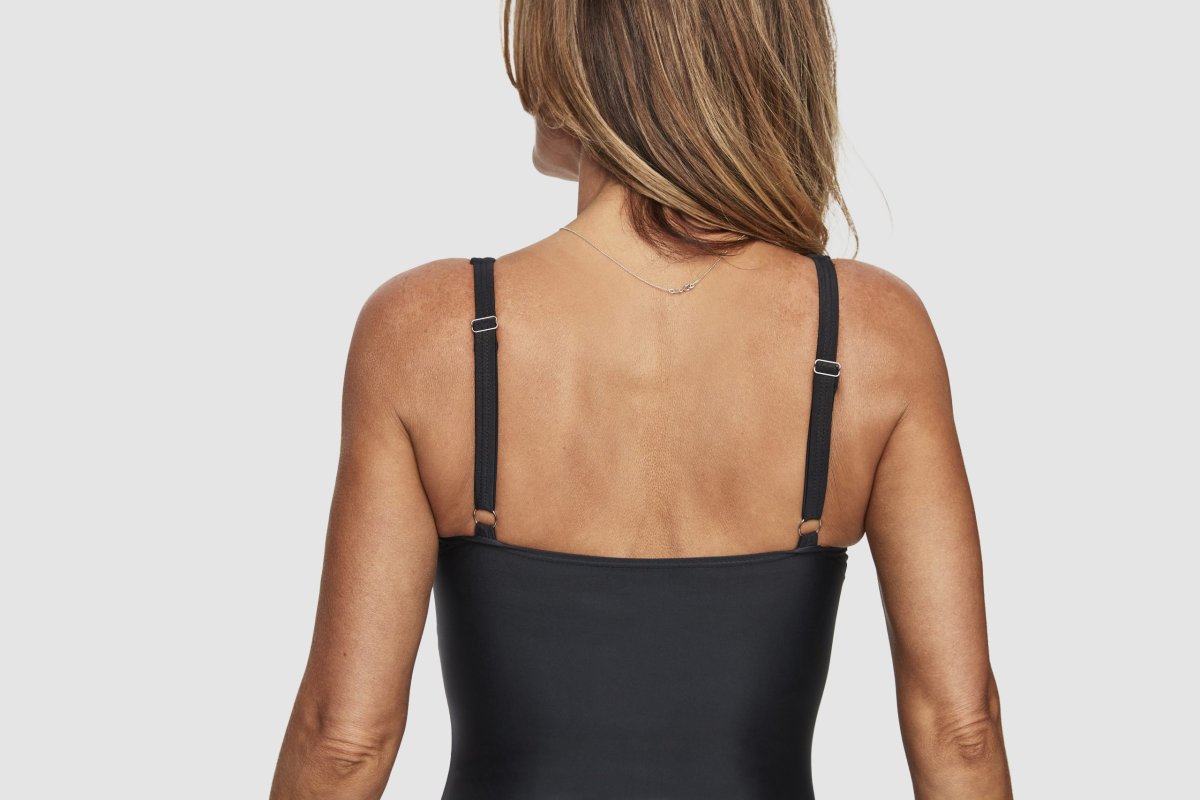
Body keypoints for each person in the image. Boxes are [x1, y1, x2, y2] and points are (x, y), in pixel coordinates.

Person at [269, 1, 1012, 798]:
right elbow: (959, 730)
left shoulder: (430, 331)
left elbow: (345, 743)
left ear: (591, 59)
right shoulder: (868, 334)